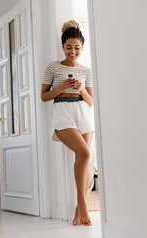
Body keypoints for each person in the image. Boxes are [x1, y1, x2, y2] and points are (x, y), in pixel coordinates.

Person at [41, 20, 94, 226]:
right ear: (63, 47)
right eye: (68, 47)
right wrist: (62, 86)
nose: (73, 51)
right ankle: (82, 205)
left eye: (77, 48)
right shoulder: (53, 67)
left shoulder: (86, 70)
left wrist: (80, 89)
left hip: (82, 112)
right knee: (85, 153)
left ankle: (78, 209)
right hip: (62, 111)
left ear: (82, 47)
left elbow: (90, 102)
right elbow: (44, 97)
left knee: (84, 160)